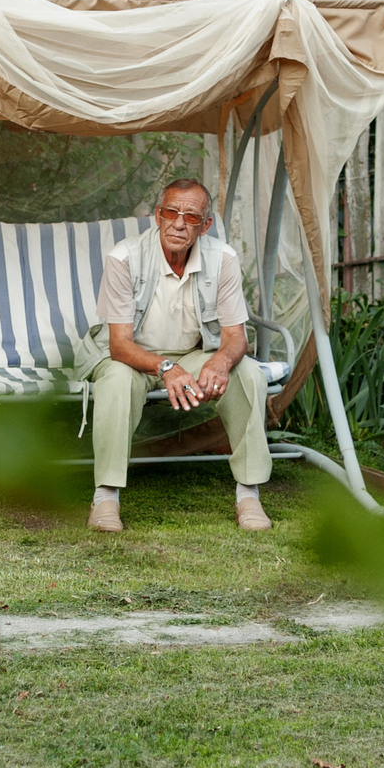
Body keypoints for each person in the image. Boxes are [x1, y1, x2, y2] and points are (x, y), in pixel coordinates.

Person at [83, 177, 273, 532]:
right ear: (158, 215)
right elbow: (119, 345)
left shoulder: (223, 258)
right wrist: (165, 367)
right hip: (134, 357)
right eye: (171, 212)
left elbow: (236, 336)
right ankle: (105, 498)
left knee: (247, 374)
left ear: (206, 225)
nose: (179, 223)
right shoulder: (124, 257)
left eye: (191, 216)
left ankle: (249, 494)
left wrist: (219, 361)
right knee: (116, 383)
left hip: (193, 354)